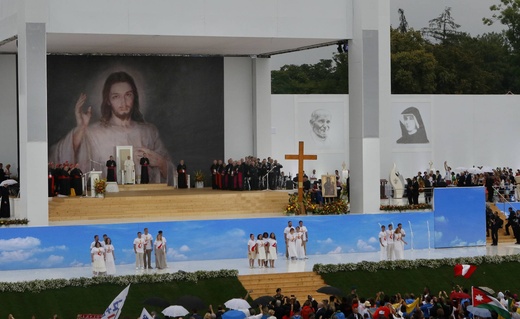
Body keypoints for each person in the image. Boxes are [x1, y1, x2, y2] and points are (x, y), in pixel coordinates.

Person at [49, 71, 171, 183]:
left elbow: (171, 173)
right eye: (116, 96)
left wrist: (161, 163)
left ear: (134, 97)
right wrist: (81, 128)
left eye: (128, 95)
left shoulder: (149, 131)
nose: (123, 102)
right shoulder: (93, 133)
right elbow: (56, 159)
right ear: (108, 100)